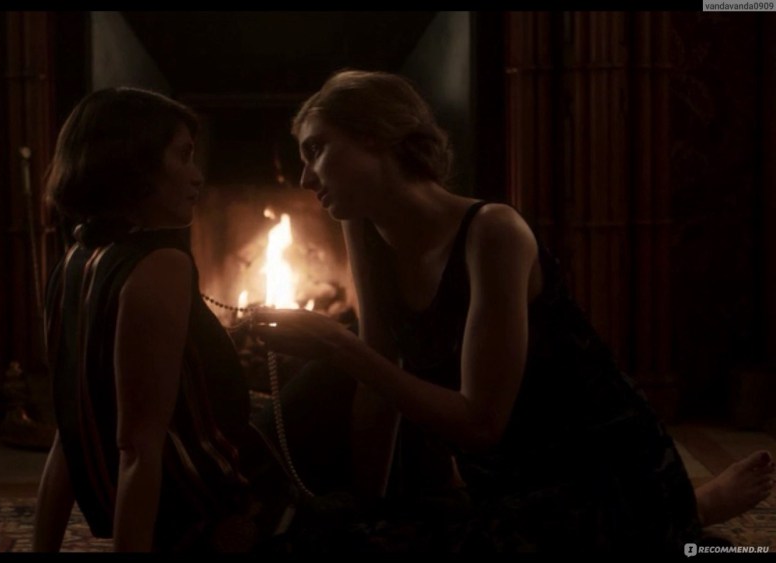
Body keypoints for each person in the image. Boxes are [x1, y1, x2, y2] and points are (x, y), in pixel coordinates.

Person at [249, 69, 775, 552]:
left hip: (598, 474)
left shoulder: (493, 233)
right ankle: (680, 516)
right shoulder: (363, 223)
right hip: (500, 486)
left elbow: (481, 423)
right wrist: (367, 512)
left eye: (316, 149)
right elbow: (379, 369)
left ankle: (673, 514)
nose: (305, 178)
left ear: (374, 135)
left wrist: (337, 346)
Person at [31, 87, 297, 553]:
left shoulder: (76, 259)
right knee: (335, 385)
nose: (198, 176)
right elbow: (138, 447)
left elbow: (70, 431)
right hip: (219, 505)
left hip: (181, 498)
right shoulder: (159, 264)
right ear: (135, 162)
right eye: (184, 156)